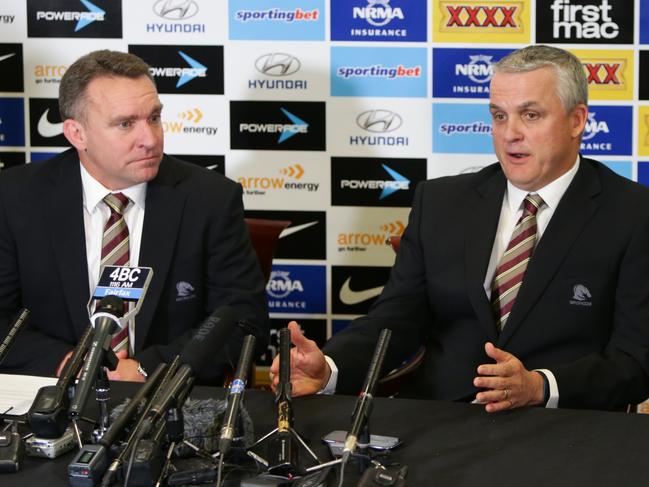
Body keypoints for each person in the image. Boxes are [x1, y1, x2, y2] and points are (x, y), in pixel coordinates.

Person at [271, 45, 649, 411]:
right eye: (499, 116)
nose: (510, 133)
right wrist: (330, 369)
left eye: (530, 115)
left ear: (577, 120)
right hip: (444, 418)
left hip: (564, 428)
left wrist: (541, 387)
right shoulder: (440, 202)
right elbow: (397, 318)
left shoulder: (633, 214)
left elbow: (636, 359)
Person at [0, 50, 268, 384]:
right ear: (76, 134)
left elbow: (244, 320)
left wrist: (144, 369)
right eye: (125, 124)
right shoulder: (15, 197)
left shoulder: (209, 199)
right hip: (52, 393)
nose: (150, 139)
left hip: (165, 398)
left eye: (154, 118)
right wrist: (70, 362)